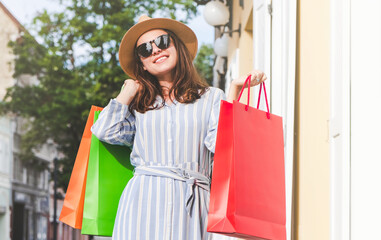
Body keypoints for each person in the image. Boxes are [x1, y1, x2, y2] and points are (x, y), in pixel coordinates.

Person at [91, 15, 267, 240]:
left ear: (177, 47)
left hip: (193, 204)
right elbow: (104, 130)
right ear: (142, 64)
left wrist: (234, 90)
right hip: (143, 202)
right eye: (145, 49)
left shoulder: (211, 97)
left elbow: (223, 146)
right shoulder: (139, 103)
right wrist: (127, 91)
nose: (155, 50)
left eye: (162, 42)